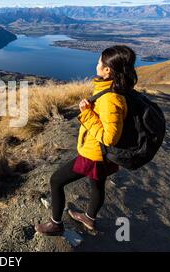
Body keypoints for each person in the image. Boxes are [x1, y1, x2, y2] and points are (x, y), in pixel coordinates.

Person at [35, 45, 138, 235]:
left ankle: (55, 224)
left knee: (56, 180)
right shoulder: (116, 90)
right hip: (102, 156)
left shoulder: (110, 98)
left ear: (108, 70)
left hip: (94, 155)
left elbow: (109, 137)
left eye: (100, 62)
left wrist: (87, 114)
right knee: (97, 185)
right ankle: (89, 219)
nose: (97, 64)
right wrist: (92, 108)